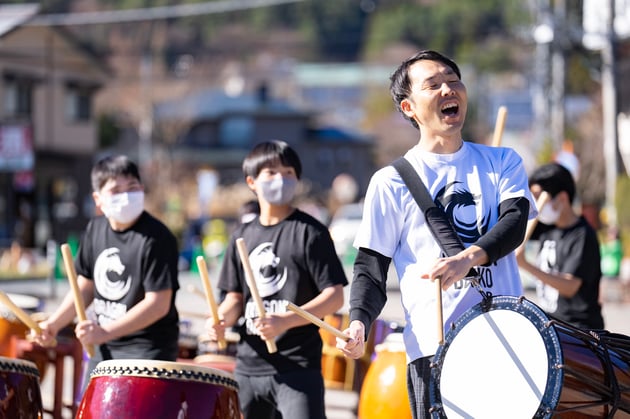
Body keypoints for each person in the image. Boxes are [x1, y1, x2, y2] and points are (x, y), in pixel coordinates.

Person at [335, 50, 536, 418]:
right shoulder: (390, 181)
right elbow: (370, 268)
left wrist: (467, 258)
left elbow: (514, 224)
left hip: (507, 340)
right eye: (433, 84)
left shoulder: (503, 161)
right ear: (409, 107)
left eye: (454, 81)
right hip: (435, 348)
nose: (448, 89)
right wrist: (359, 322)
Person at [204, 140, 348, 419]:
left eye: (288, 173)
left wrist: (285, 321)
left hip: (297, 366)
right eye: (271, 173)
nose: (280, 179)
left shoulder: (311, 232)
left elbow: (334, 296)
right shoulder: (241, 235)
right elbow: (234, 298)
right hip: (248, 366)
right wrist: (220, 319)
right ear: (251, 181)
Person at [32, 155, 180, 386]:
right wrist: (54, 324)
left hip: (147, 351)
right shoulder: (95, 229)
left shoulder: (157, 237)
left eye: (132, 187)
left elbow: (158, 304)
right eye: (115, 190)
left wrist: (105, 331)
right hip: (103, 348)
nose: (126, 196)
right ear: (98, 199)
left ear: (142, 189)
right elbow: (85, 289)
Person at [516, 162, 604, 330]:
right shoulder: (545, 229)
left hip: (580, 331)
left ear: (562, 198)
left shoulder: (582, 235)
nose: (536, 204)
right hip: (553, 325)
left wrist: (526, 265)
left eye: (539, 197)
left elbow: (570, 286)